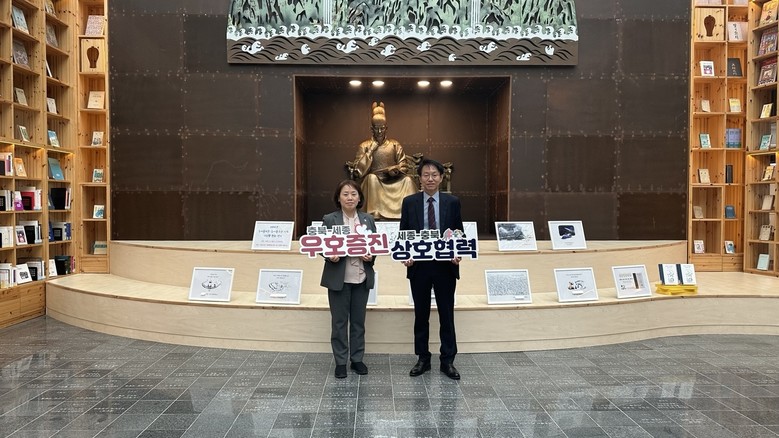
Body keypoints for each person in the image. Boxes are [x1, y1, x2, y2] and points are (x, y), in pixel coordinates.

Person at [399, 158, 464, 380]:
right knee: (421, 314)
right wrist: (406, 255)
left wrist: (458, 252)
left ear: (441, 177)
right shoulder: (409, 202)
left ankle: (448, 361)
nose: (430, 179)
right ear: (419, 178)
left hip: (445, 266)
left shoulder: (452, 202)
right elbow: (404, 233)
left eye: (434, 175)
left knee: (447, 314)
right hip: (419, 267)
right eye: (425, 175)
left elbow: (458, 232)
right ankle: (423, 359)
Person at [320, 179, 377, 378]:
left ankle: (357, 359)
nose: (350, 198)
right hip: (339, 278)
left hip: (361, 277)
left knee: (358, 322)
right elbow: (321, 244)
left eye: (354, 194)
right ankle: (341, 362)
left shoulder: (368, 219)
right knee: (339, 323)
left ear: (360, 198)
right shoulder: (330, 219)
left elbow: (374, 247)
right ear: (338, 198)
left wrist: (370, 256)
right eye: (345, 194)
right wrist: (329, 255)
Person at [350, 102, 417, 219]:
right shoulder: (365, 146)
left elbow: (404, 165)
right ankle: (374, 211)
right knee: (371, 179)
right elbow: (358, 172)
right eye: (377, 129)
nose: (380, 132)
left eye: (382, 128)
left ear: (386, 128)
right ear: (372, 129)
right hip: (374, 183)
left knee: (408, 180)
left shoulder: (394, 145)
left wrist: (396, 170)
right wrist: (370, 151)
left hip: (393, 180)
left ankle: (409, 213)